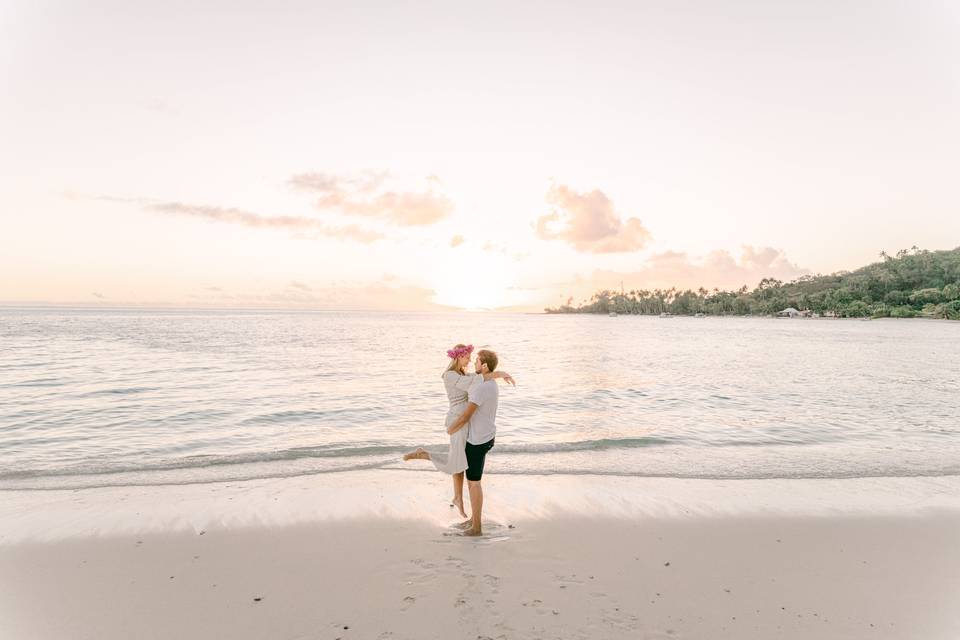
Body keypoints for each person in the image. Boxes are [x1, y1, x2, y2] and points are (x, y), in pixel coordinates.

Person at [402, 344, 514, 518]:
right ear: (458, 357)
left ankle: (458, 498)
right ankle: (425, 455)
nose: (469, 360)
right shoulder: (450, 375)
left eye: (471, 357)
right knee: (456, 461)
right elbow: (476, 380)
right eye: (467, 356)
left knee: (459, 460)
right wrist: (499, 374)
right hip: (458, 419)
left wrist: (497, 375)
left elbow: (478, 378)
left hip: (464, 420)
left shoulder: (462, 374)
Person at [444, 349, 500, 536]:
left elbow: (466, 416)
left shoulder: (481, 387)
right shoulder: (490, 383)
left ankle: (477, 528)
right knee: (471, 481)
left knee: (474, 483)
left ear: (484, 365)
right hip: (487, 435)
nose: (474, 363)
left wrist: (451, 428)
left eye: (477, 361)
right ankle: (473, 520)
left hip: (477, 440)